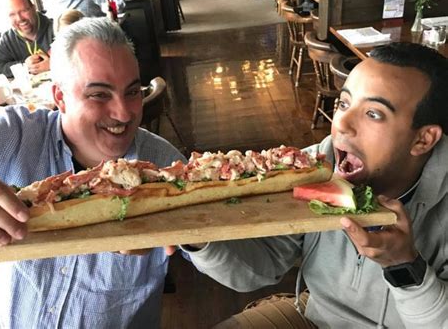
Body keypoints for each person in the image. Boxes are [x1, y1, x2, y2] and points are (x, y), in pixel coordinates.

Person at [183, 43, 448, 328]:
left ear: (423, 139)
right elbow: (260, 266)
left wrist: (405, 266)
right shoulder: (313, 167)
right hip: (317, 317)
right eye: (344, 103)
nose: (342, 124)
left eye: (373, 114)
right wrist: (199, 237)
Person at [0, 17, 185, 328]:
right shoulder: (13, 136)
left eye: (133, 91)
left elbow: (259, 267)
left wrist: (198, 238)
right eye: (99, 94)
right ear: (59, 97)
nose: (124, 113)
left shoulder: (165, 167)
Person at [0, 0, 54, 78]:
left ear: (34, 8)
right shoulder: (8, 39)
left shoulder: (56, 27)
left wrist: (54, 64)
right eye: (12, 14)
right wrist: (24, 66)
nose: (20, 18)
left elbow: (76, 56)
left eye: (24, 11)